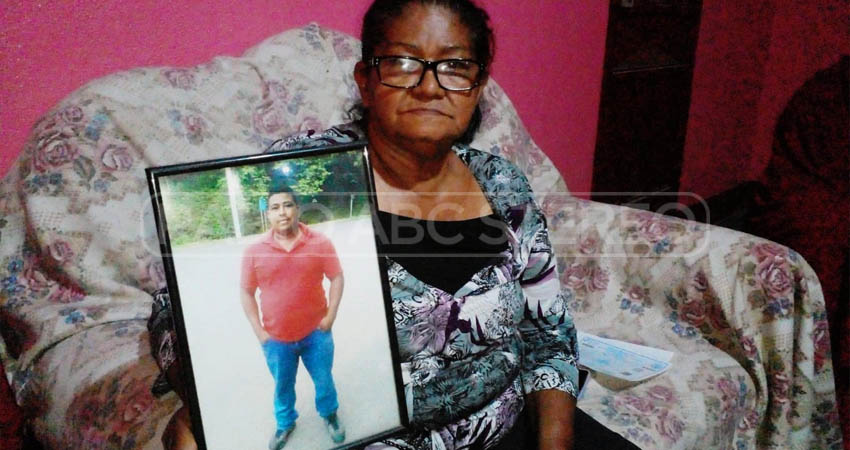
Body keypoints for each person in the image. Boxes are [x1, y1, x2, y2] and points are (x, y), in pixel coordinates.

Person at [156, 0, 640, 448]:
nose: (430, 86)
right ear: (366, 80)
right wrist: (213, 406)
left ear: (477, 87)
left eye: (454, 66)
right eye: (404, 62)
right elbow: (175, 308)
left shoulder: (502, 184)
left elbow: (548, 333)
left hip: (508, 425)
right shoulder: (305, 178)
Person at [242, 184, 346, 449]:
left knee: (324, 379)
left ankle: (330, 415)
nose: (282, 213)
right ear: (268, 214)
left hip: (316, 333)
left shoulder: (320, 243)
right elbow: (246, 292)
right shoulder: (254, 252)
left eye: (287, 205)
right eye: (275, 208)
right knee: (283, 386)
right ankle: (285, 423)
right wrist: (259, 332)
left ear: (297, 209)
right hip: (276, 339)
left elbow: (336, 277)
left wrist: (330, 316)